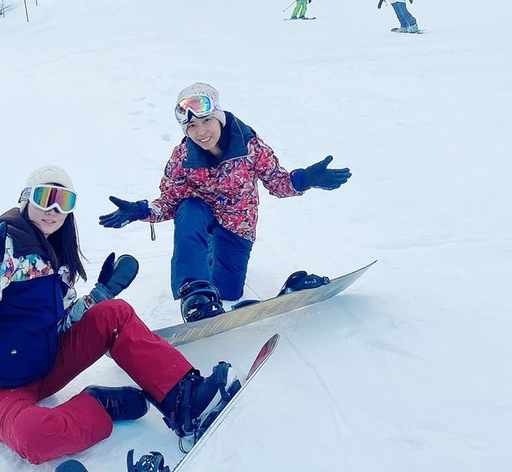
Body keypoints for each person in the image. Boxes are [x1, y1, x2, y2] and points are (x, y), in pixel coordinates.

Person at [0, 165, 238, 465]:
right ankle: (100, 404)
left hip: (42, 367)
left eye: (64, 202)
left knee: (114, 313)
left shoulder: (56, 255)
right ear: (26, 199)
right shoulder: (2, 246)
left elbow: (60, 323)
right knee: (34, 436)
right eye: (44, 197)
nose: (53, 210)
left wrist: (98, 297)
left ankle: (185, 399)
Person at [99, 83, 351, 322]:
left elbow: (277, 182)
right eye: (192, 126)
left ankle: (210, 256)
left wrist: (306, 179)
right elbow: (171, 201)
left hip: (236, 227)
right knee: (189, 208)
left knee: (228, 292)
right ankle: (194, 293)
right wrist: (142, 211)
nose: (201, 132)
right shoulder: (183, 156)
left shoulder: (249, 146)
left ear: (218, 117)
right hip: (199, 220)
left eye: (206, 121)